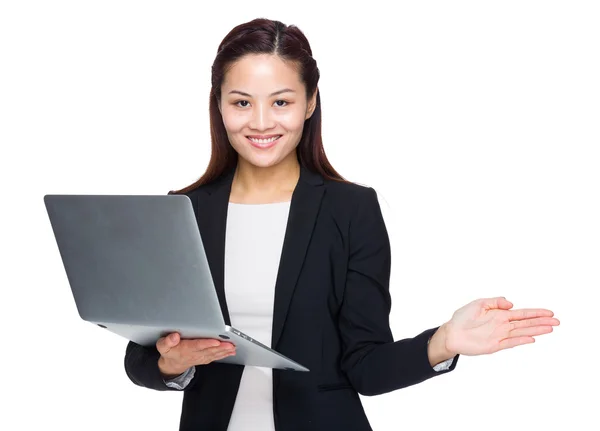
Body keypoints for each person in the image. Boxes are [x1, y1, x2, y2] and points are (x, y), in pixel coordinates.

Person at [124, 18, 560, 431]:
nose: (260, 122)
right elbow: (140, 358)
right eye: (241, 102)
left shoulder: (351, 210)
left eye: (281, 102)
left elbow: (366, 367)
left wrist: (443, 341)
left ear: (310, 102)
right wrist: (170, 363)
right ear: (218, 104)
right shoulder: (184, 211)